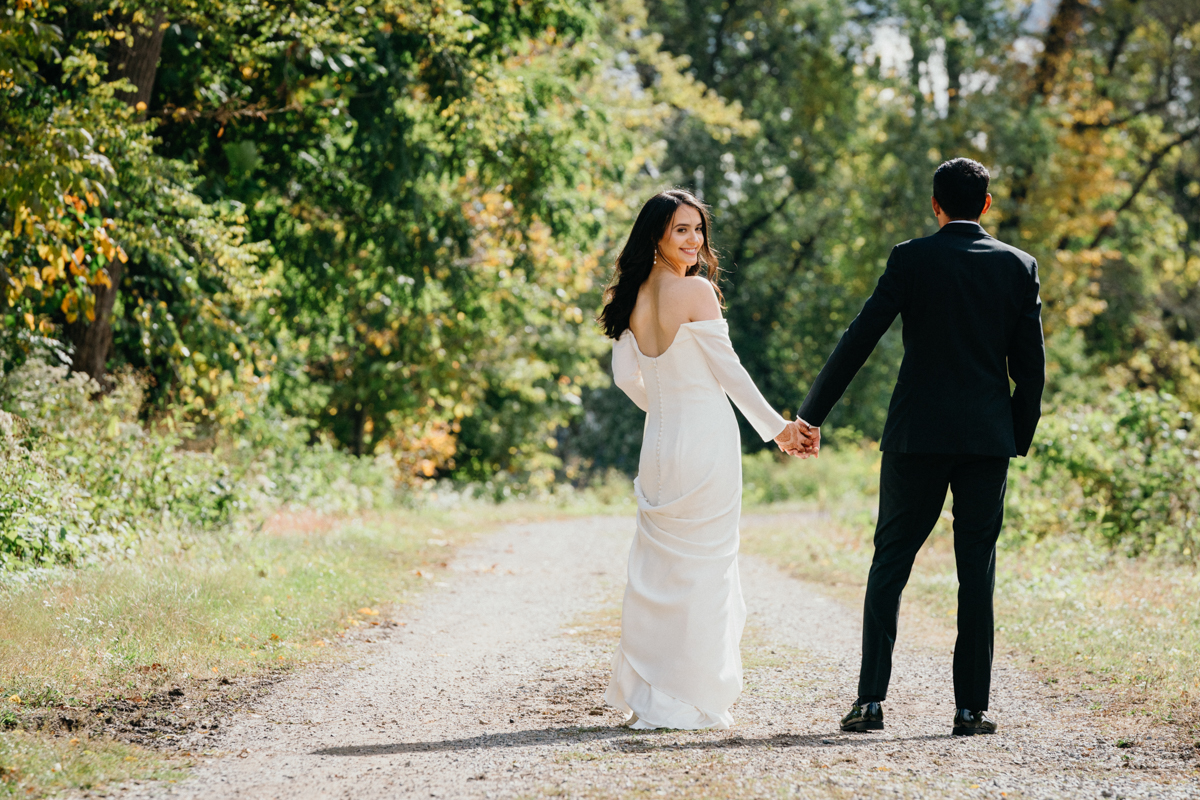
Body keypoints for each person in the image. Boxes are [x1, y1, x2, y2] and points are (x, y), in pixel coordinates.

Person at [797, 158, 1045, 736]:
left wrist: (812, 415)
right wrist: (1015, 435)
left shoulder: (911, 258)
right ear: (985, 205)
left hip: (915, 437)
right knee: (975, 572)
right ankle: (970, 710)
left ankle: (870, 702)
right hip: (986, 441)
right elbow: (1030, 371)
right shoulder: (1018, 266)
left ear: (936, 206)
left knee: (890, 564)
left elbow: (859, 336)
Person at [599, 189, 817, 729]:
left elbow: (627, 376)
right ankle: (690, 696)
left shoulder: (633, 295)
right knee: (705, 569)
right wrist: (780, 431)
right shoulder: (695, 291)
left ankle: (652, 691)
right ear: (657, 235)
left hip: (659, 443)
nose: (694, 240)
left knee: (659, 568)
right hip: (705, 443)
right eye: (681, 230)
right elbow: (731, 373)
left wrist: (666, 407)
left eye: (698, 229)